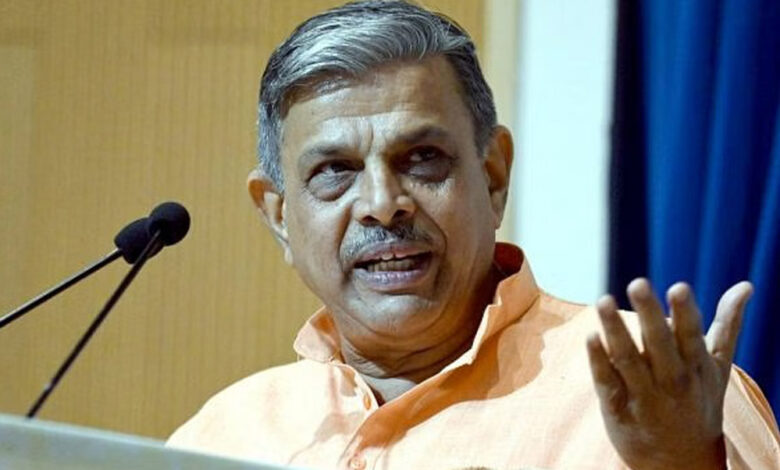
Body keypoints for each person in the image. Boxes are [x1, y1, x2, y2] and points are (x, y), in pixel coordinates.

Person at [167, 1, 780, 469]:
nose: (383, 205)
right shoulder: (222, 437)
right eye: (335, 171)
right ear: (279, 216)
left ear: (493, 176)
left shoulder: (660, 394)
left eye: (422, 158)